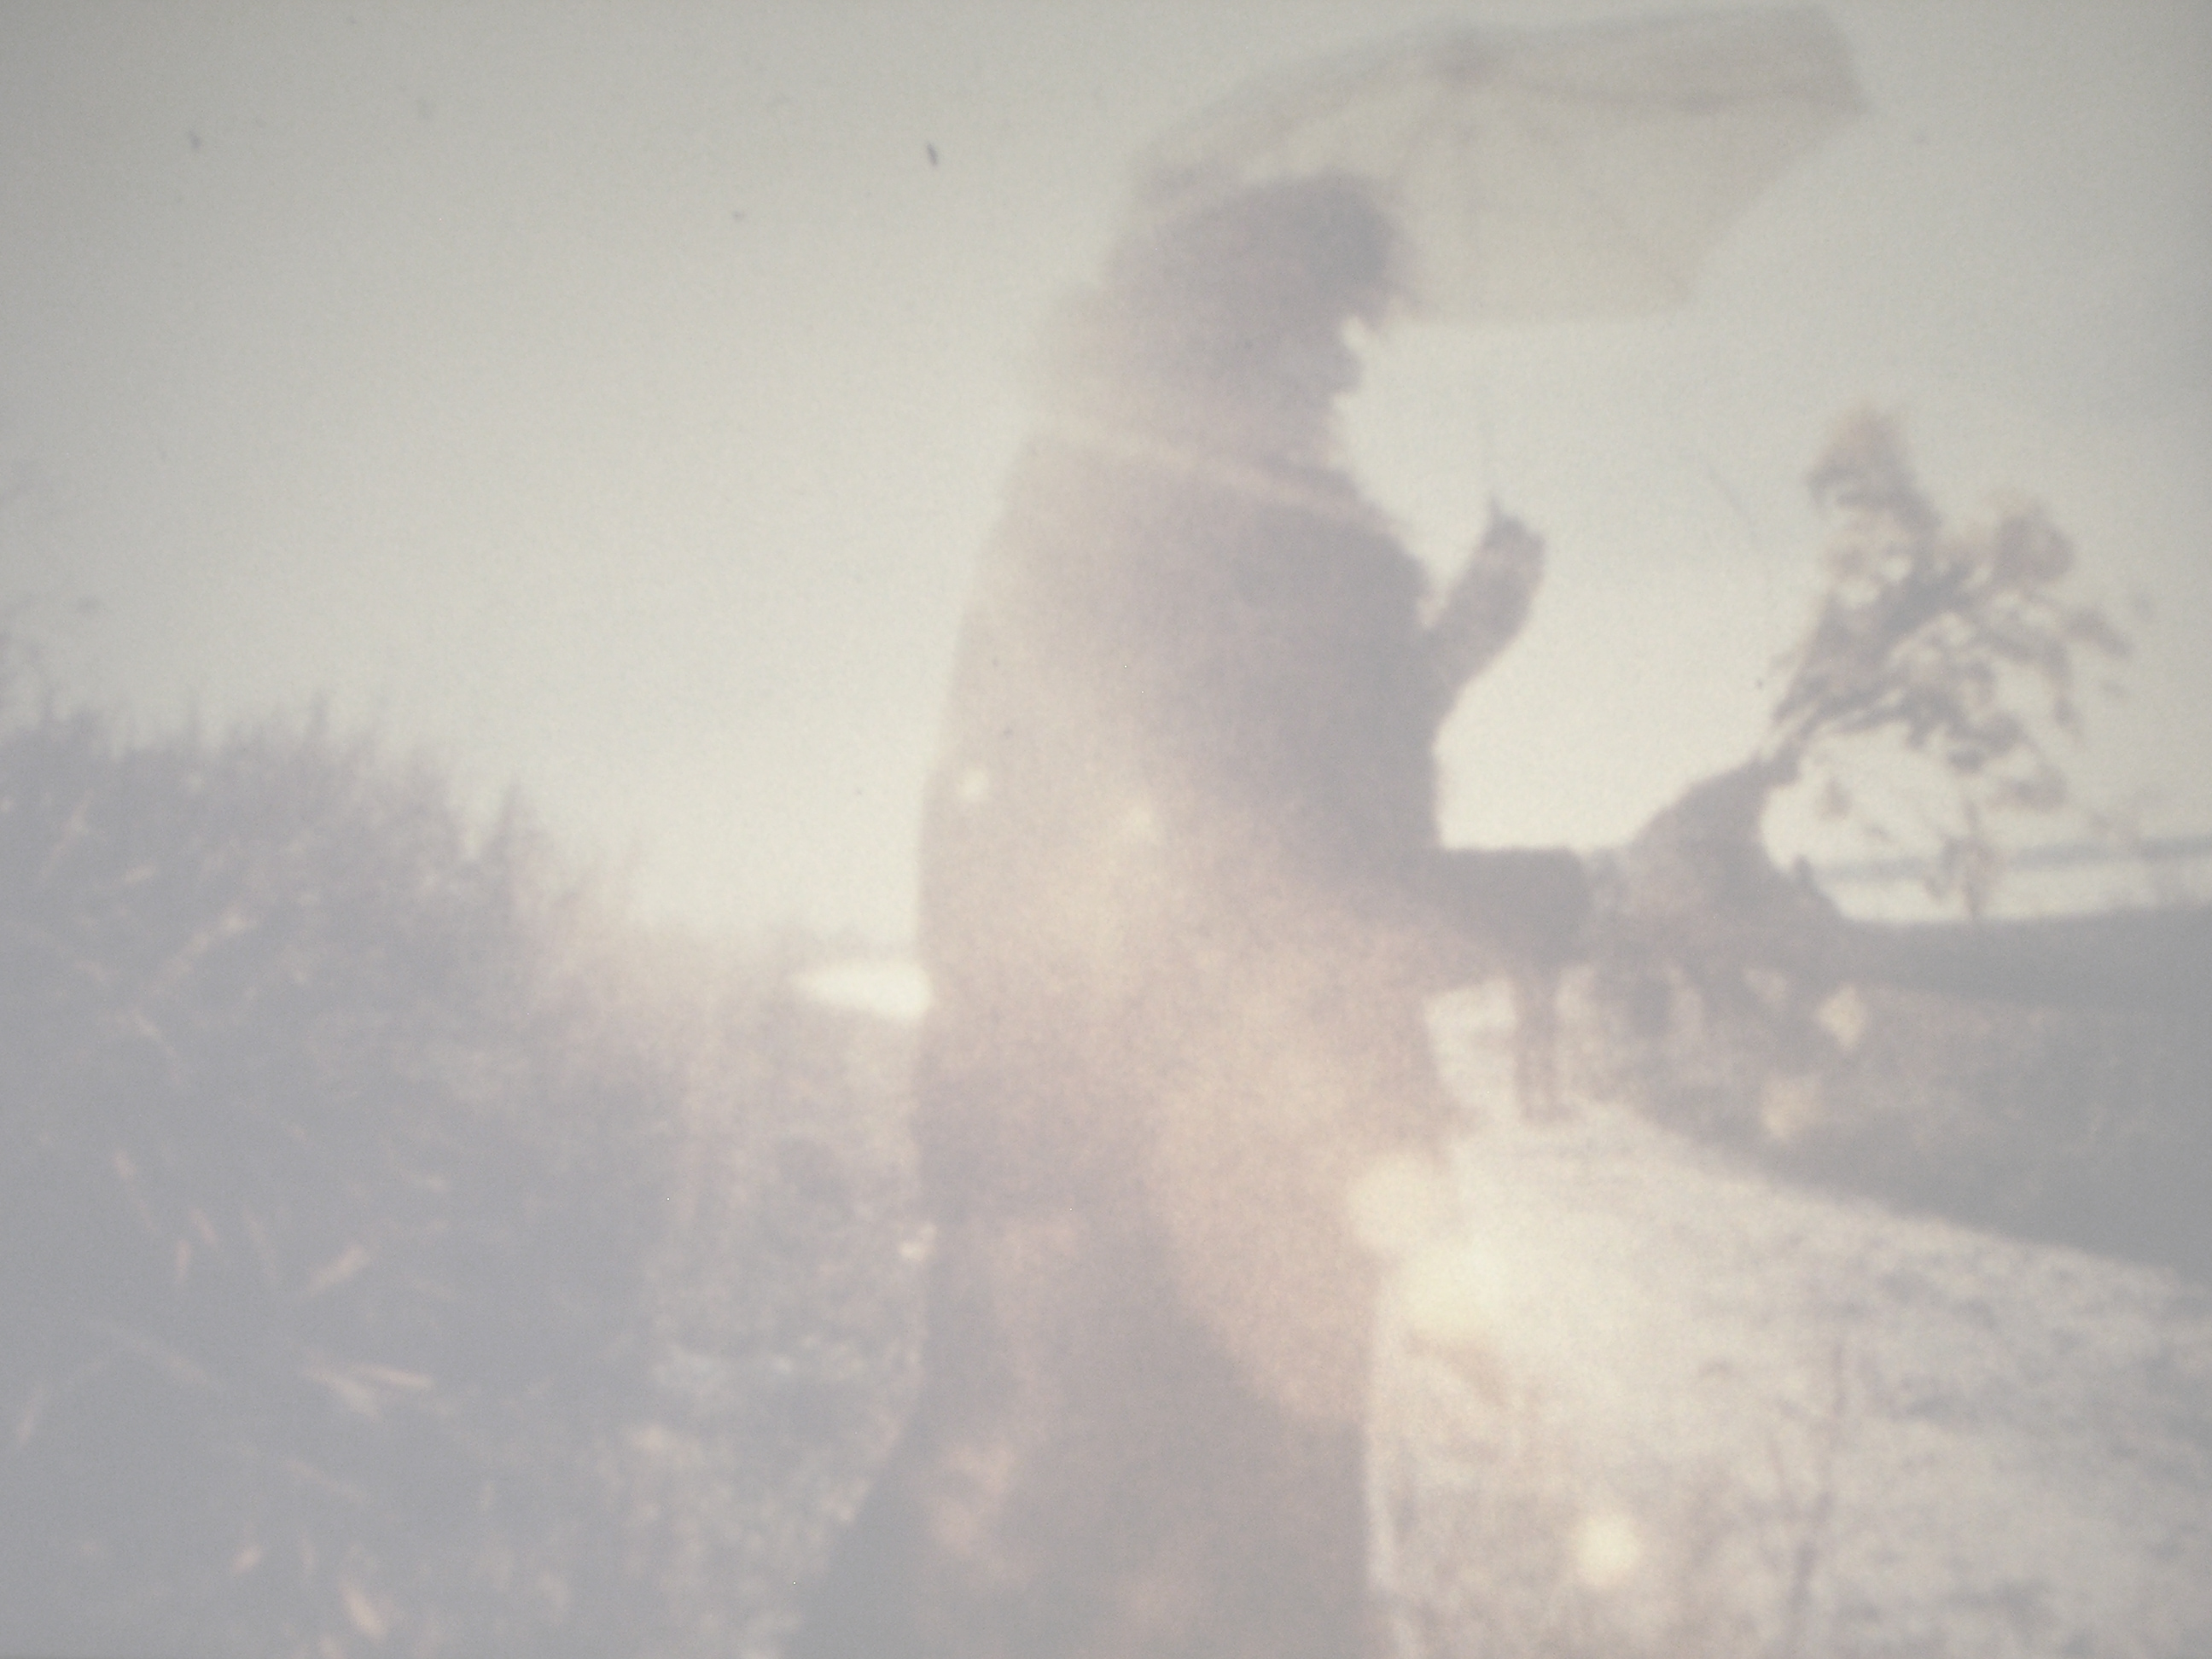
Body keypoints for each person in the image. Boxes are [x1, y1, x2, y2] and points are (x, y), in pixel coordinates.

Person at [790, 174, 1542, 1659]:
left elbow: (1252, 802)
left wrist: (1449, 649)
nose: (1339, 378)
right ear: (1213, 343)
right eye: (1310, 339)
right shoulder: (1216, 555)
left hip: (1100, 1179)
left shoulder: (1109, 524)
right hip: (1186, 1206)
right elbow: (1288, 891)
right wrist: (1587, 901)